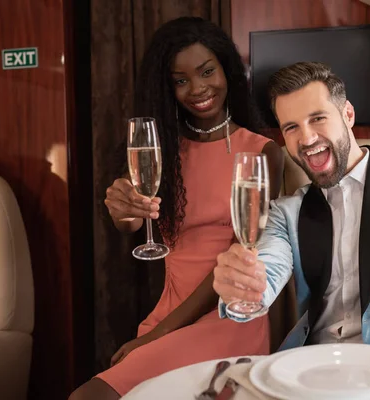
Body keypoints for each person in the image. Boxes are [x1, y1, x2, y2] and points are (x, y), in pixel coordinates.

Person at [70, 17, 283, 400]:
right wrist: (124, 214)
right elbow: (134, 224)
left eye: (206, 72)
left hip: (228, 317)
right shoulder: (162, 147)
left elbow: (242, 254)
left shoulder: (262, 152)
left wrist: (158, 335)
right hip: (169, 311)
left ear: (227, 70)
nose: (198, 89)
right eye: (180, 80)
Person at [212, 61, 370, 360]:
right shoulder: (285, 213)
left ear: (347, 114)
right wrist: (241, 287)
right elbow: (264, 278)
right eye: (292, 127)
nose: (307, 139)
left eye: (318, 118)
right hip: (310, 370)